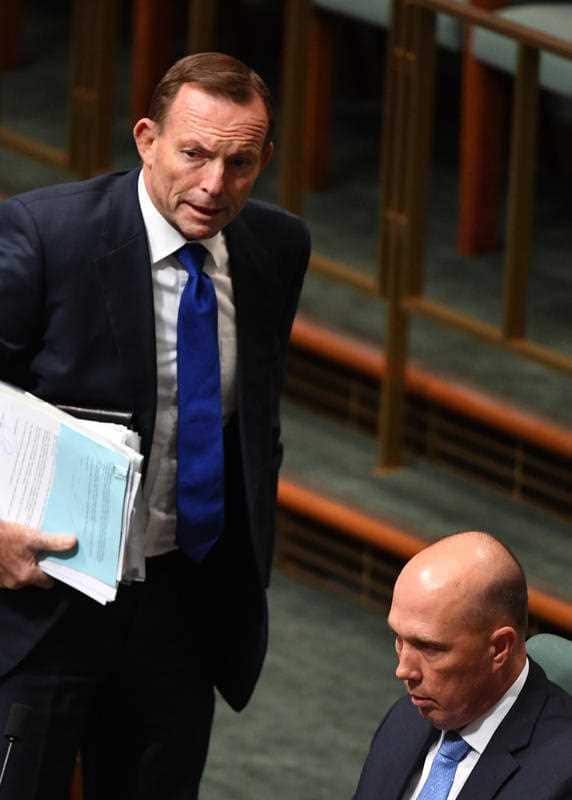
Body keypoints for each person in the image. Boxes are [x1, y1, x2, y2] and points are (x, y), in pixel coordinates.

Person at [0, 52, 310, 798]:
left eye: (239, 163)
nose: (214, 185)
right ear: (147, 139)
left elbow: (256, 416)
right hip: (47, 590)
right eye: (194, 154)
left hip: (184, 603)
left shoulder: (275, 248)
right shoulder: (48, 235)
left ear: (264, 160)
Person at [353, 531, 572, 800]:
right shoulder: (404, 720)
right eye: (399, 639)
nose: (403, 671)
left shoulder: (563, 774)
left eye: (429, 648)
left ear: (499, 648)